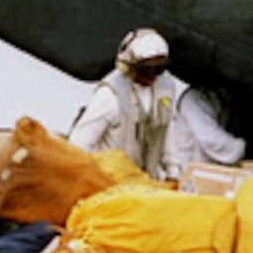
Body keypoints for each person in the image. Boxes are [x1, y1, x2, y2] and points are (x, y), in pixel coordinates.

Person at [68, 28, 178, 181]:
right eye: (147, 70)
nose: (153, 76)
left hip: (147, 183)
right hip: (111, 182)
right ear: (130, 66)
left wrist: (174, 173)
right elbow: (80, 143)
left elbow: (168, 133)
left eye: (159, 69)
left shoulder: (166, 89)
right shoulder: (109, 95)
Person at [163, 85, 246, 183]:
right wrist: (242, 148)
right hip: (192, 175)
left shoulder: (221, 100)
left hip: (209, 173)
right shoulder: (194, 99)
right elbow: (212, 140)